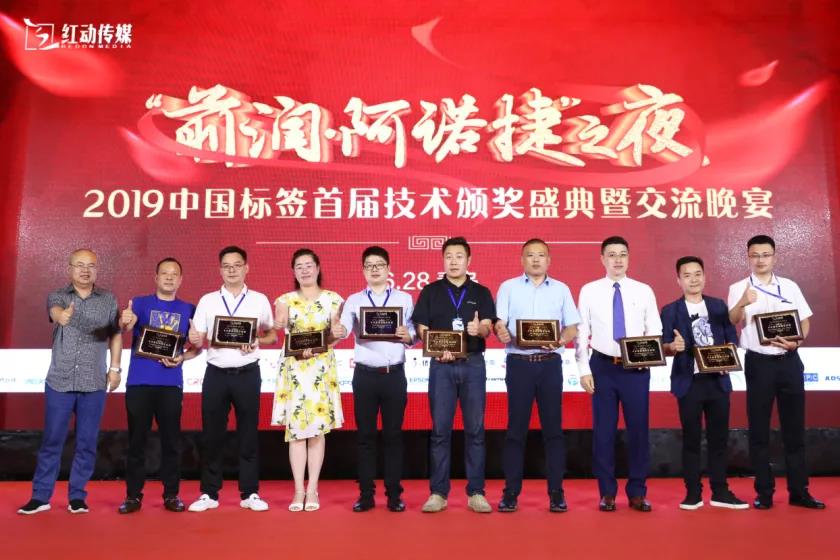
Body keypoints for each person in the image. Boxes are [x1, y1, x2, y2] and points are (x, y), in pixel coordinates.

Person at [17, 248, 122, 515]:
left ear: (97, 269)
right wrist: (61, 315)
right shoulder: (59, 296)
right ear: (70, 268)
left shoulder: (109, 299)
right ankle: (40, 497)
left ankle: (77, 497)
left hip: (93, 381)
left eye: (90, 265)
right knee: (52, 441)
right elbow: (55, 312)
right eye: (79, 265)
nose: (85, 270)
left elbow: (115, 335)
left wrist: (115, 369)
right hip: (60, 381)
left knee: (87, 443)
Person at [727, 235, 824, 510]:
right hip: (759, 364)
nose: (760, 260)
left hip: (789, 361)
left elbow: (804, 320)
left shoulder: (789, 286)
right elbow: (733, 320)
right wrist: (743, 302)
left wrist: (797, 342)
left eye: (765, 255)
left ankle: (799, 491)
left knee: (794, 429)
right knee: (759, 430)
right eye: (755, 255)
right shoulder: (738, 287)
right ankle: (764, 492)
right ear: (748, 257)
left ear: (774, 257)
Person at [575, 236, 662, 512]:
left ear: (629, 257)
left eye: (622, 254)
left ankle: (637, 492)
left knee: (638, 430)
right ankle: (607, 492)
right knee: (604, 432)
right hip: (602, 366)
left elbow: (655, 328)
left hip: (636, 369)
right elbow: (581, 332)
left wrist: (648, 358)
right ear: (602, 259)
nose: (618, 260)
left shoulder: (643, 290)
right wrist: (583, 369)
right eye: (611, 254)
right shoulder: (589, 290)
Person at [187, 246, 276, 513]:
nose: (232, 270)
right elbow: (198, 338)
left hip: (248, 373)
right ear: (220, 270)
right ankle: (209, 493)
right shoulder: (208, 300)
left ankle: (250, 493)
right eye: (226, 266)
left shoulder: (259, 299)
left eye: (237, 265)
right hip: (216, 374)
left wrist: (256, 340)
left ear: (246, 268)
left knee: (248, 433)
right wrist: (194, 338)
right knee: (212, 435)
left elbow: (272, 335)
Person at [494, 239, 580, 513]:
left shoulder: (561, 289)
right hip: (518, 364)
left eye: (540, 255)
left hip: (550, 364)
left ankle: (556, 492)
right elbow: (499, 323)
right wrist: (501, 331)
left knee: (553, 431)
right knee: (515, 431)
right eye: (530, 255)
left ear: (548, 260)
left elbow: (572, 327)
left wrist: (561, 340)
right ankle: (510, 493)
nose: (535, 259)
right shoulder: (508, 287)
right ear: (522, 260)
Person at [412, 236, 496, 514]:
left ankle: (476, 492)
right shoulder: (431, 291)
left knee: (475, 430)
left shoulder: (481, 292)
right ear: (443, 260)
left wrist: (478, 330)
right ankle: (438, 493)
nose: (454, 261)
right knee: (440, 431)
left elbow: (487, 326)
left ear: (468, 260)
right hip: (441, 367)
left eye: (459, 256)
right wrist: (435, 348)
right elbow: (422, 327)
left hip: (473, 365)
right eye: (449, 256)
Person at [660, 256, 747, 510]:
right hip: (689, 382)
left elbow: (732, 339)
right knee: (691, 439)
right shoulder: (670, 310)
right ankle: (693, 493)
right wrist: (672, 346)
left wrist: (727, 355)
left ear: (705, 276)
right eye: (687, 275)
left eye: (697, 274)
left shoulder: (718, 306)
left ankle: (720, 491)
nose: (693, 279)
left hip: (718, 381)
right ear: (678, 280)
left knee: (719, 439)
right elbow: (663, 345)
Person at [116, 257, 200, 514]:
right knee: (137, 441)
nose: (169, 277)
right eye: (164, 273)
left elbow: (197, 347)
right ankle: (133, 496)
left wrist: (183, 356)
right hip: (139, 382)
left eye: (174, 274)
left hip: (170, 384)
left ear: (181, 279)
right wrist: (125, 321)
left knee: (171, 442)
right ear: (156, 277)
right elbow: (124, 327)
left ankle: (171, 494)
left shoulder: (189, 309)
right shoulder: (139, 303)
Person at [335, 246, 415, 513]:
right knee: (365, 437)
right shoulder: (354, 300)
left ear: (389, 269)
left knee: (393, 436)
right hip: (365, 376)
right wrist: (339, 329)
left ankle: (394, 495)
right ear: (363, 270)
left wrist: (409, 335)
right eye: (369, 265)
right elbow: (345, 328)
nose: (375, 269)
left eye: (379, 264)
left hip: (394, 375)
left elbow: (413, 332)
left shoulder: (404, 298)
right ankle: (366, 495)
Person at [271, 248, 344, 512]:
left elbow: (334, 335)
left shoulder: (333, 300)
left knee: (317, 430)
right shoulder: (284, 300)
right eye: (299, 266)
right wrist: (278, 323)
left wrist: (337, 333)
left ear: (318, 268)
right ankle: (298, 490)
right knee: (296, 432)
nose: (304, 270)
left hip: (320, 368)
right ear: (293, 271)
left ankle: (312, 489)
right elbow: (279, 327)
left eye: (308, 265)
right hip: (295, 370)